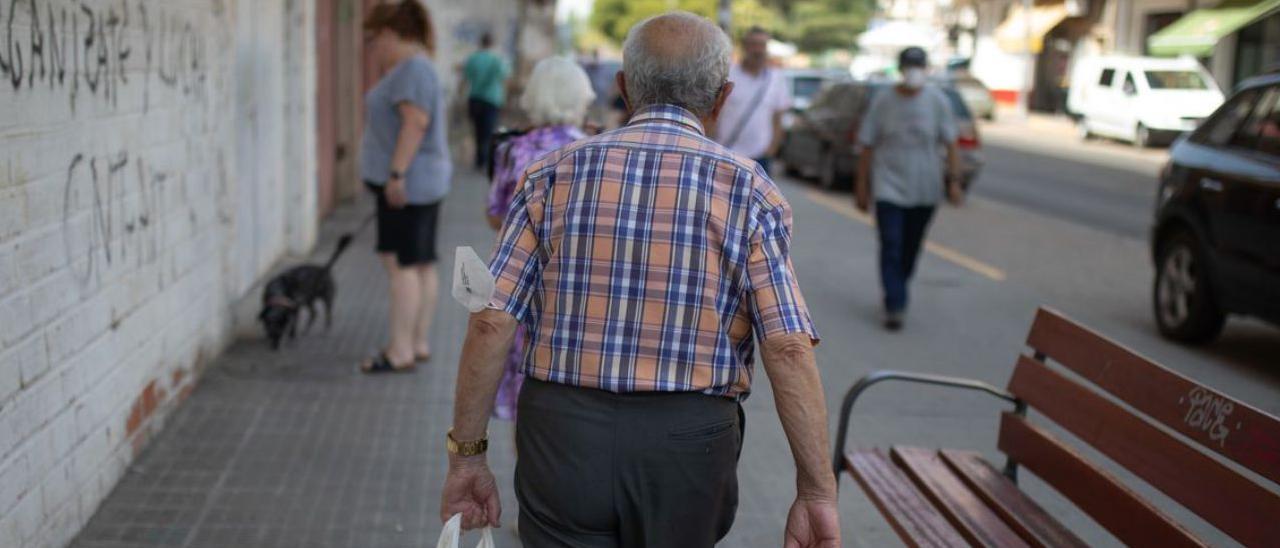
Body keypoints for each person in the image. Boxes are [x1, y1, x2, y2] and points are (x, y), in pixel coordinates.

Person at [441, 11, 840, 548]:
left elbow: (492, 321)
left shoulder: (549, 176)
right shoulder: (751, 192)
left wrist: (468, 456)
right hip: (688, 445)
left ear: (624, 89)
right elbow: (788, 346)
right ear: (721, 100)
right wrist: (816, 491)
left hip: (562, 437)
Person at [486, 56, 595, 420]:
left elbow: (495, 216)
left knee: (526, 395)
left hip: (524, 286)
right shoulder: (599, 149)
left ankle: (528, 474)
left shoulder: (514, 150)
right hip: (584, 288)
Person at [357, 1, 450, 372]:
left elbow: (415, 123)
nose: (373, 48)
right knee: (421, 262)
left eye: (374, 39)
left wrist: (395, 174)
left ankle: (400, 351)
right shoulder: (420, 67)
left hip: (407, 185)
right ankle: (418, 341)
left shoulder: (410, 69)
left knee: (401, 265)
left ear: (391, 33)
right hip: (425, 181)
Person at [854, 46, 963, 331]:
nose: (914, 72)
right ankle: (895, 303)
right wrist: (862, 186)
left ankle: (897, 286)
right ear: (900, 69)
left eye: (919, 66)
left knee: (910, 249)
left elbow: (951, 143)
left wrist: (954, 180)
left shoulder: (937, 101)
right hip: (889, 186)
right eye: (909, 66)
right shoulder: (883, 101)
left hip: (925, 189)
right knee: (891, 243)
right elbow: (867, 144)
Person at [714, 26, 792, 174]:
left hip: (761, 159)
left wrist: (771, 150)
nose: (758, 50)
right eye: (753, 44)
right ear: (744, 47)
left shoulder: (776, 78)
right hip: (727, 155)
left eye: (762, 45)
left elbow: (778, 118)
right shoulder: (727, 75)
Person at [462, 33, 511, 170]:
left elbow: (465, 79)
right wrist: (505, 100)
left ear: (480, 43)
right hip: (492, 100)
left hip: (475, 98)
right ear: (492, 44)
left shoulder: (473, 59)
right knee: (489, 132)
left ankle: (479, 160)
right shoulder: (497, 60)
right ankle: (487, 161)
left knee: (477, 130)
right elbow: (504, 80)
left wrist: (461, 96)